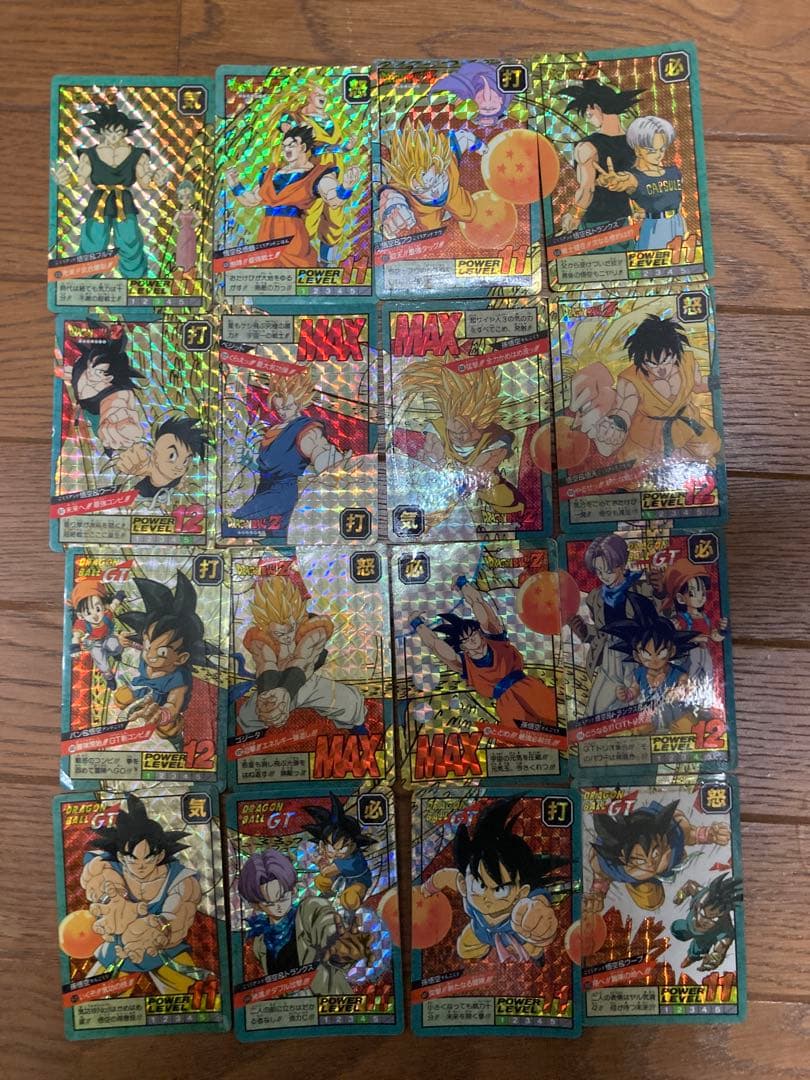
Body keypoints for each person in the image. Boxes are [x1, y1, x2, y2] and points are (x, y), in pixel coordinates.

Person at [81, 794, 211, 996]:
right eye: (132, 858)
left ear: (160, 855)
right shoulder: (106, 869)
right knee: (93, 998)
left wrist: (160, 928)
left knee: (196, 998)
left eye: (148, 857)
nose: (140, 865)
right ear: (121, 856)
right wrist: (110, 902)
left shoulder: (180, 879)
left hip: (163, 951)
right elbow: (97, 885)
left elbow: (179, 914)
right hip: (119, 950)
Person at [422, 797, 566, 962]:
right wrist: (427, 889)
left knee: (533, 950)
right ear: (464, 884)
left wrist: (540, 922)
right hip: (481, 932)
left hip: (517, 936)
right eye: (479, 885)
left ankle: (535, 957)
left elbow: (538, 904)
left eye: (500, 890)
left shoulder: (523, 907)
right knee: (464, 948)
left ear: (521, 893)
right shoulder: (466, 884)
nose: (487, 897)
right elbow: (445, 876)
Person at [410, 575, 557, 731]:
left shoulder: (495, 638)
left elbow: (478, 603)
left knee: (553, 718)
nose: (472, 640)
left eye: (473, 634)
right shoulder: (465, 664)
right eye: (466, 639)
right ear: (463, 646)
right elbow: (435, 644)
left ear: (479, 632)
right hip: (507, 704)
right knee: (524, 735)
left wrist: (462, 584)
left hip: (528, 688)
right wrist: (418, 624)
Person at [52, 102, 171, 278]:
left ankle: (134, 279)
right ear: (102, 131)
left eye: (118, 131)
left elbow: (145, 182)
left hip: (124, 201)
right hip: (99, 201)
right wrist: (66, 179)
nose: (113, 136)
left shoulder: (138, 154)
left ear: (125, 131)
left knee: (129, 239)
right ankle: (86, 279)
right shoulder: (89, 154)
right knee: (93, 239)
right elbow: (80, 180)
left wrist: (157, 181)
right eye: (109, 131)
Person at [237, 574, 365, 734]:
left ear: (297, 617)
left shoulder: (313, 630)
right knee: (248, 716)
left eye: (290, 629)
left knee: (351, 703)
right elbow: (266, 664)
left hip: (307, 682)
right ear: (267, 626)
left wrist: (286, 692)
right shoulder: (260, 638)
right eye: (279, 634)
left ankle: (360, 735)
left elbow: (303, 660)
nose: (287, 637)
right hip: (275, 683)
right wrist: (268, 695)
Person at [225, 125, 359, 268]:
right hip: (266, 238)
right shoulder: (271, 173)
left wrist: (345, 188)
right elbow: (251, 200)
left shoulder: (316, 173)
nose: (286, 150)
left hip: (293, 239)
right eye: (284, 146)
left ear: (303, 147)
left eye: (291, 145)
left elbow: (333, 199)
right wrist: (235, 185)